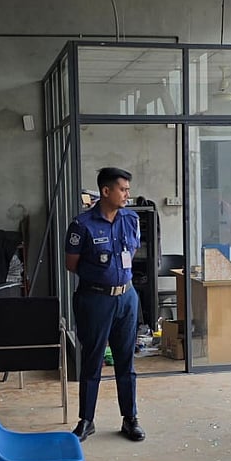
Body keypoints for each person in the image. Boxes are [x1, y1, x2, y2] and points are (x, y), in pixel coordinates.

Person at [66, 167, 146, 443]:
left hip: (126, 297)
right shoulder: (82, 224)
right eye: (123, 189)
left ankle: (130, 418)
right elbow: (71, 264)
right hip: (95, 298)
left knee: (126, 360)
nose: (127, 195)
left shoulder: (131, 219)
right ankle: (86, 420)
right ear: (106, 191)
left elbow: (132, 251)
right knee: (92, 361)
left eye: (128, 189)